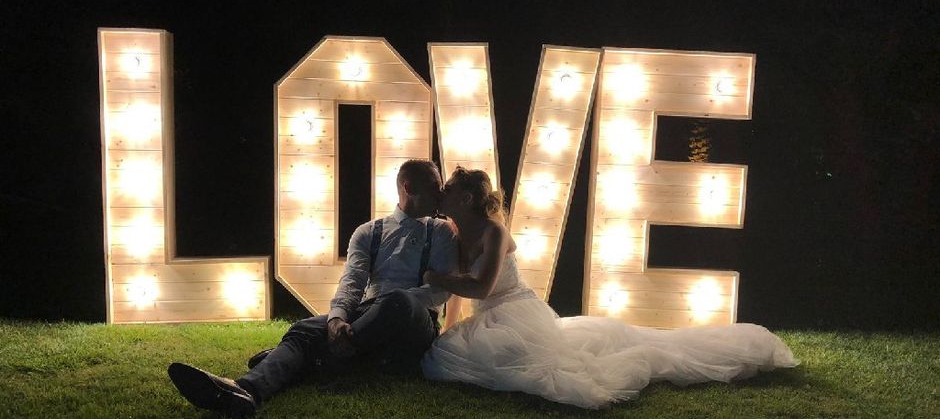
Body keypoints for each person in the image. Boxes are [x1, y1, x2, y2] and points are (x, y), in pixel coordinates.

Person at [421, 167, 798, 409]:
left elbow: (482, 287)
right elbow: (461, 291)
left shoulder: (494, 231)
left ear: (467, 198)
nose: (442, 197)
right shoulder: (452, 233)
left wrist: (436, 279)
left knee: (511, 356)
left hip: (514, 310)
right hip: (487, 315)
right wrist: (450, 324)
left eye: (448, 191)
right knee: (448, 355)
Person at [168, 159, 458, 418]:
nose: (440, 193)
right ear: (408, 187)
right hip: (367, 317)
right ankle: (245, 391)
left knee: (398, 302)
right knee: (304, 328)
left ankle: (305, 359)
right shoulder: (369, 231)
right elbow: (352, 280)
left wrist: (383, 306)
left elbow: (439, 291)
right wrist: (337, 318)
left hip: (414, 323)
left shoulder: (441, 231)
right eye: (434, 186)